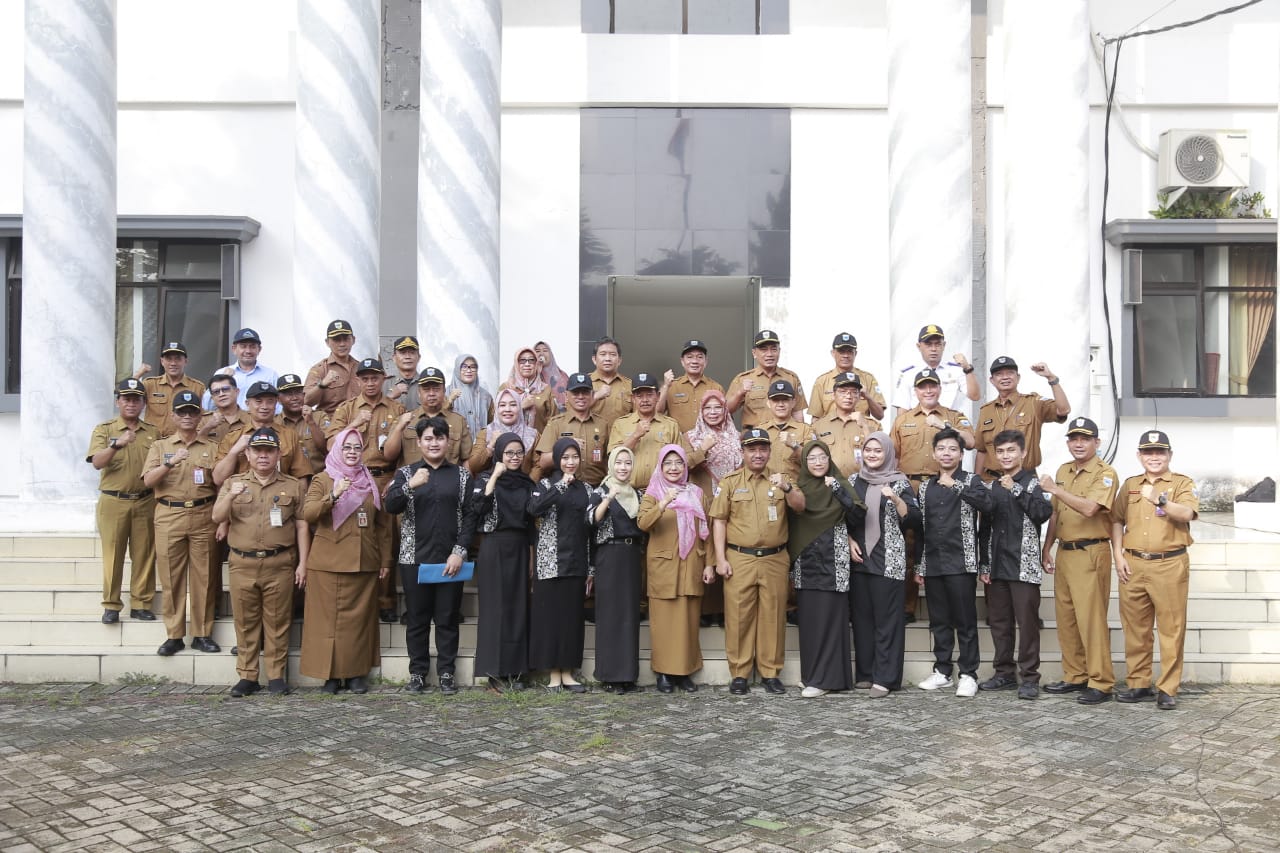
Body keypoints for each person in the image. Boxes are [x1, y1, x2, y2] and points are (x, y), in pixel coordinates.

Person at [385, 416, 479, 696]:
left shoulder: (461, 476)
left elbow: (470, 517)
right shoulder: (406, 473)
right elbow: (390, 506)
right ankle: (417, 673)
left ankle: (447, 672)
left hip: (450, 559)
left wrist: (459, 552)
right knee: (417, 618)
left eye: (439, 438)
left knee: (448, 617)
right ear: (420, 442)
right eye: (428, 438)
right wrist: (410, 485)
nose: (434, 443)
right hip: (415, 558)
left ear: (447, 441)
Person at [212, 427, 310, 697]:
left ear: (278, 454)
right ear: (248, 453)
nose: (263, 456)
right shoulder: (233, 481)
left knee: (278, 621)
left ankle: (276, 676)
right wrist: (231, 494)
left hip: (279, 562)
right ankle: (247, 675)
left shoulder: (292, 485)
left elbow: (302, 525)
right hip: (242, 563)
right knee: (245, 622)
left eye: (269, 451)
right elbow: (216, 516)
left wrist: (303, 564)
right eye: (258, 451)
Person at [708, 428, 800, 695]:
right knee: (739, 617)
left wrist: (788, 486)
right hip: (740, 559)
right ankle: (740, 673)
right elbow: (719, 522)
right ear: (743, 452)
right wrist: (720, 559)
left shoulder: (780, 479)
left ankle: (771, 672)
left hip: (774, 559)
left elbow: (800, 506)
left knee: (773, 616)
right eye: (752, 449)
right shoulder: (730, 482)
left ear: (769, 452)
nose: (758, 454)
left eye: (762, 449)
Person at [1111, 430, 1198, 711]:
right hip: (1133, 563)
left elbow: (1187, 514)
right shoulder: (1131, 485)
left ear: (1169, 455)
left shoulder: (1181, 483)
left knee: (1171, 629)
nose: (1154, 457)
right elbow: (1116, 520)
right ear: (1139, 456)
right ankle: (1138, 684)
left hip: (1169, 564)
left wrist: (1160, 499)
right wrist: (1117, 555)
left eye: (1160, 452)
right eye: (1148, 453)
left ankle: (1168, 688)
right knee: (1136, 628)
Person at [300, 427, 390, 695]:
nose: (352, 453)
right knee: (326, 624)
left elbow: (383, 527)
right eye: (347, 447)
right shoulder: (323, 479)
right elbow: (309, 513)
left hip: (363, 561)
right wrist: (335, 494)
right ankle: (330, 676)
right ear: (337, 449)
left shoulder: (368, 481)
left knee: (358, 624)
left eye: (357, 448)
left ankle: (354, 675)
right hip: (327, 563)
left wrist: (385, 560)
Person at [1040, 417, 1120, 705]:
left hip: (1091, 551)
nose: (1078, 443)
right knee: (1067, 618)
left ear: (1096, 443)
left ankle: (1101, 681)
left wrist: (1056, 489)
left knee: (1091, 620)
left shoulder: (1105, 473)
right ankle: (1076, 675)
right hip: (1065, 551)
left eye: (1085, 439)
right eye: (1074, 438)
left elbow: (1089, 509)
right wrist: (1046, 547)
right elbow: (1055, 513)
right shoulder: (1064, 470)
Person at [891, 367, 976, 622]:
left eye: (932, 385)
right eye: (922, 386)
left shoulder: (953, 415)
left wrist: (945, 425)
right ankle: (907, 606)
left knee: (942, 540)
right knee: (907, 544)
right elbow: (893, 455)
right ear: (915, 391)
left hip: (944, 486)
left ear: (940, 388)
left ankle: (948, 603)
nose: (928, 390)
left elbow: (971, 442)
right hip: (911, 487)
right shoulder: (903, 419)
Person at [914, 428, 993, 698]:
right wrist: (919, 565)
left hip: (962, 562)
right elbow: (921, 529)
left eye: (952, 449)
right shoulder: (925, 487)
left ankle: (969, 674)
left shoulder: (972, 481)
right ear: (934, 453)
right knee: (939, 621)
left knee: (966, 621)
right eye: (942, 449)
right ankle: (942, 671)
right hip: (934, 563)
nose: (946, 453)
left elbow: (988, 505)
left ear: (961, 454)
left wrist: (956, 486)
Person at [141, 390, 220, 656]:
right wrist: (170, 464)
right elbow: (149, 481)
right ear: (173, 416)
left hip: (203, 514)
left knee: (204, 576)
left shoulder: (211, 448)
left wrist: (222, 519)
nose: (187, 416)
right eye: (182, 412)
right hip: (169, 514)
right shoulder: (160, 447)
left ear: (200, 415)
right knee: (171, 577)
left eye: (192, 411)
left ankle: (201, 633)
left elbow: (220, 485)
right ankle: (174, 634)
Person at [978, 429, 1053, 700]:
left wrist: (1017, 489)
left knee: (1028, 623)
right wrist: (984, 565)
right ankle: (1004, 674)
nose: (1006, 456)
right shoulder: (993, 486)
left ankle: (1030, 677)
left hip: (1025, 565)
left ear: (1022, 453)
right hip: (997, 566)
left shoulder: (1034, 483)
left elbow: (1042, 513)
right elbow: (984, 528)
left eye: (1011, 450)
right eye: (1001, 451)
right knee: (999, 622)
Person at [788, 440, 865, 698]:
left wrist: (839, 493)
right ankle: (811, 675)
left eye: (823, 457)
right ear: (805, 462)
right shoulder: (800, 489)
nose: (818, 462)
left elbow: (857, 516)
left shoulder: (839, 484)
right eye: (812, 458)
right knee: (810, 619)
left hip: (833, 559)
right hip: (806, 560)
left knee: (831, 618)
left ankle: (828, 678)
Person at [847, 431, 921, 697]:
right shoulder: (854, 480)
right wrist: (847, 539)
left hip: (889, 559)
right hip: (859, 558)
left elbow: (913, 519)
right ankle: (866, 674)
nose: (873, 455)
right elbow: (840, 515)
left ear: (888, 453)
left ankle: (885, 678)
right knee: (863, 619)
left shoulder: (899, 482)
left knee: (887, 620)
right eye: (869, 450)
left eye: (878, 451)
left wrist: (896, 499)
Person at [638, 444, 711, 693]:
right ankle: (663, 673)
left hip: (691, 564)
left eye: (678, 462)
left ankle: (684, 673)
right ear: (660, 465)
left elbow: (707, 531)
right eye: (668, 463)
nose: (673, 468)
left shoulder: (697, 493)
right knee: (664, 624)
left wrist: (709, 563)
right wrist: (663, 504)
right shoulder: (653, 492)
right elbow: (643, 523)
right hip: (664, 567)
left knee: (688, 623)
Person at [87, 378, 160, 624]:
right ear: (118, 401)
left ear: (143, 403)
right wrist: (117, 445)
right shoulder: (105, 429)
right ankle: (111, 604)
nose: (131, 403)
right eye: (126, 399)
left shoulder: (152, 432)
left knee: (145, 554)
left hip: (144, 500)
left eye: (136, 399)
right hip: (113, 501)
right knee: (113, 555)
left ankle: (141, 603)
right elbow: (97, 462)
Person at [470, 432, 537, 692]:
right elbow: (478, 509)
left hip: (520, 547)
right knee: (495, 610)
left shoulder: (526, 483)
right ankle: (494, 673)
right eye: (509, 452)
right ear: (499, 453)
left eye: (519, 453)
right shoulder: (486, 479)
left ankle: (516, 671)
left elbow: (531, 524)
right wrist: (495, 475)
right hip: (494, 546)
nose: (514, 457)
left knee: (518, 608)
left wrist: (531, 556)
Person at [528, 438, 594, 693]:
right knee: (550, 619)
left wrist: (591, 569)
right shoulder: (544, 485)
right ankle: (553, 674)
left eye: (574, 457)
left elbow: (590, 529)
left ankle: (568, 672)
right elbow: (533, 509)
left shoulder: (587, 489)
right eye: (565, 457)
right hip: (549, 563)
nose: (570, 462)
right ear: (557, 459)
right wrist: (560, 488)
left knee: (571, 620)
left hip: (577, 562)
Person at [589, 446, 647, 694]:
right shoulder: (600, 491)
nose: (623, 468)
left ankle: (627, 676)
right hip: (609, 556)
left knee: (629, 616)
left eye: (627, 463)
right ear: (611, 465)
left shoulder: (637, 494)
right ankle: (610, 676)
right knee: (610, 615)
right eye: (619, 463)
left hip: (632, 556)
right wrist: (608, 499)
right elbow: (591, 520)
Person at [682, 388, 741, 628]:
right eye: (708, 408)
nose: (713, 412)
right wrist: (703, 448)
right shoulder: (691, 437)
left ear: (725, 410)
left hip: (731, 502)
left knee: (726, 550)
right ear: (701, 411)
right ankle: (706, 609)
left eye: (718, 407)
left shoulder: (736, 436)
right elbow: (683, 466)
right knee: (704, 551)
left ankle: (725, 610)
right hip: (703, 500)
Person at [974, 356, 1070, 480]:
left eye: (1010, 373)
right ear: (992, 380)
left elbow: (1063, 410)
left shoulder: (1033, 403)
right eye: (999, 374)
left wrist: (1051, 378)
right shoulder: (986, 410)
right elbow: (982, 451)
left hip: (1023, 480)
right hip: (992, 481)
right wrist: (976, 483)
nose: (1005, 377)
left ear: (1018, 378)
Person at [211, 382, 310, 486]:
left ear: (276, 403)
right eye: (258, 402)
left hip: (281, 498)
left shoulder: (289, 435)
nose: (264, 407)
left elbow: (301, 476)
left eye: (270, 402)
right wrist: (234, 452)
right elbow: (218, 479)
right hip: (243, 498)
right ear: (247, 404)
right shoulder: (233, 437)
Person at [607, 372, 681, 490]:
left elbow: (679, 461)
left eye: (649, 395)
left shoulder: (670, 425)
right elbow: (613, 459)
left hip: (661, 492)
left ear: (657, 396)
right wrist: (635, 436)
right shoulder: (620, 424)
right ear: (632, 399)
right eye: (639, 396)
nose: (645, 400)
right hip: (627, 491)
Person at [533, 373, 610, 485]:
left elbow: (609, 461)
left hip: (595, 489)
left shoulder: (603, 424)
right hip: (565, 489)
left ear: (592, 394)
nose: (580, 396)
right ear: (566, 395)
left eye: (585, 392)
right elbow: (543, 462)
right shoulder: (556, 424)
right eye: (575, 392)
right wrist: (567, 447)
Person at [393, 367, 474, 467]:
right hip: (413, 479)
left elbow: (467, 459)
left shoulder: (458, 421)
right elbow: (389, 456)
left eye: (436, 389)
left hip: (447, 480)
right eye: (426, 390)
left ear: (444, 391)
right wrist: (398, 428)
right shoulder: (405, 419)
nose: (431, 394)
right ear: (419, 393)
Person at [892, 324, 979, 416]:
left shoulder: (955, 370)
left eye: (937, 344)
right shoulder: (908, 374)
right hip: (920, 426)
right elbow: (902, 412)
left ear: (944, 345)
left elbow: (975, 396)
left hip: (949, 425)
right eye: (928, 344)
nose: (933, 349)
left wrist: (967, 369)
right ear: (919, 346)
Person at [726, 329, 807, 427]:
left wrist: (799, 436)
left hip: (784, 437)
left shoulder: (791, 378)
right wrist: (740, 393)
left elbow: (798, 414)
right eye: (763, 350)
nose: (769, 354)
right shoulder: (742, 379)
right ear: (754, 353)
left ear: (779, 351)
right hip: (754, 438)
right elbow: (726, 410)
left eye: (774, 349)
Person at [811, 372, 881, 477]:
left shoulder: (873, 425)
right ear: (833, 395)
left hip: (862, 485)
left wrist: (865, 426)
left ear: (859, 397)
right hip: (830, 485)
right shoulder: (818, 426)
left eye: (854, 392)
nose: (848, 396)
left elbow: (881, 457)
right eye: (843, 392)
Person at [135, 341, 207, 437]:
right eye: (169, 359)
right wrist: (139, 374)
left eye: (178, 359)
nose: (173, 363)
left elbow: (204, 417)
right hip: (154, 441)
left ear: (185, 361)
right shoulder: (150, 384)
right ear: (162, 362)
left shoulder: (197, 387)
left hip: (183, 442)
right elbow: (127, 394)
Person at [808, 333, 885, 421]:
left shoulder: (868, 379)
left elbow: (880, 415)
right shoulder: (822, 381)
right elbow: (816, 418)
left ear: (855, 353)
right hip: (832, 433)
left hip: (862, 431)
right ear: (833, 353)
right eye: (841, 351)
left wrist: (868, 397)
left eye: (849, 351)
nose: (846, 355)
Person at [658, 339, 725, 432]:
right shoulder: (672, 386)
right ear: (682, 361)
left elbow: (724, 419)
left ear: (706, 361)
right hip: (679, 443)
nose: (694, 361)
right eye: (689, 357)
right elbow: (657, 412)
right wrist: (665, 386)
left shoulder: (716, 388)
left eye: (699, 357)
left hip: (709, 442)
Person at [202, 328, 278, 409]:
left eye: (252, 347)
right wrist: (223, 379)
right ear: (234, 349)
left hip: (261, 421)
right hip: (230, 421)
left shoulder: (270, 375)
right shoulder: (222, 373)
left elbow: (278, 405)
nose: (248, 351)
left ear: (259, 349)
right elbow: (207, 406)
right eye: (243, 346)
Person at [469, 387, 539, 475]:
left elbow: (538, 466)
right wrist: (490, 446)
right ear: (496, 409)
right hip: (492, 485)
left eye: (513, 405)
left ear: (519, 408)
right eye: (502, 405)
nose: (508, 409)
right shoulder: (486, 433)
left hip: (524, 486)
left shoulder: (533, 435)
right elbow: (474, 466)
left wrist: (528, 485)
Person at [303, 319, 362, 415]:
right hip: (330, 425)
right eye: (336, 340)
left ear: (353, 340)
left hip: (359, 423)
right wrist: (322, 385)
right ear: (327, 342)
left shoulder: (361, 368)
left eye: (346, 339)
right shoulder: (319, 369)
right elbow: (307, 401)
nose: (342, 344)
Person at [760, 380, 814, 478]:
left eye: (785, 399)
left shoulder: (805, 430)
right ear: (768, 403)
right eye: (776, 400)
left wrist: (794, 445)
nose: (781, 404)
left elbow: (814, 461)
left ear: (793, 403)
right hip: (766, 489)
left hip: (796, 488)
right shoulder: (760, 430)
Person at [276, 374, 327, 477]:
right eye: (288, 394)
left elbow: (327, 449)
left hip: (320, 477)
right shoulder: (275, 423)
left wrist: (311, 422)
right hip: (289, 483)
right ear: (278, 399)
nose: (294, 398)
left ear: (304, 394)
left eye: (298, 393)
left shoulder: (319, 416)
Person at [500, 347, 558, 431]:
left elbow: (554, 420)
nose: (527, 364)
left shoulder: (545, 389)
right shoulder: (506, 387)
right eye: (522, 360)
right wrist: (521, 406)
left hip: (538, 441)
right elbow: (497, 418)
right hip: (510, 441)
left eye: (531, 360)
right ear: (516, 363)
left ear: (536, 364)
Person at [589, 336, 633, 435]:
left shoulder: (629, 385)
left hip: (620, 440)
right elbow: (571, 412)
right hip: (592, 439)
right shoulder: (584, 384)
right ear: (594, 359)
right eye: (603, 354)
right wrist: (595, 397)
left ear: (619, 360)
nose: (608, 358)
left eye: (613, 354)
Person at [446, 353, 494, 441]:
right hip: (454, 448)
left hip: (480, 448)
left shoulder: (485, 396)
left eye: (473, 366)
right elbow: (438, 418)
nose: (469, 370)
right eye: (464, 366)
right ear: (457, 369)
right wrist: (449, 401)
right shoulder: (446, 393)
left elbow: (492, 424)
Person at [199, 373, 253, 446]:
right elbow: (193, 446)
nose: (221, 394)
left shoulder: (252, 418)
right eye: (216, 392)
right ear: (212, 398)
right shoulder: (204, 420)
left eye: (225, 389)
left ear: (237, 391)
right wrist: (207, 427)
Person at [385, 335, 422, 405]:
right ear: (394, 358)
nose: (407, 357)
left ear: (419, 357)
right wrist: (390, 396)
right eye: (403, 353)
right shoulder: (384, 384)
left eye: (412, 352)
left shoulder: (427, 383)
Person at [534, 340, 569, 412]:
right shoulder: (530, 376)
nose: (541, 354)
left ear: (551, 354)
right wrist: (537, 372)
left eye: (545, 350)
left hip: (561, 417)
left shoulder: (562, 376)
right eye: (537, 351)